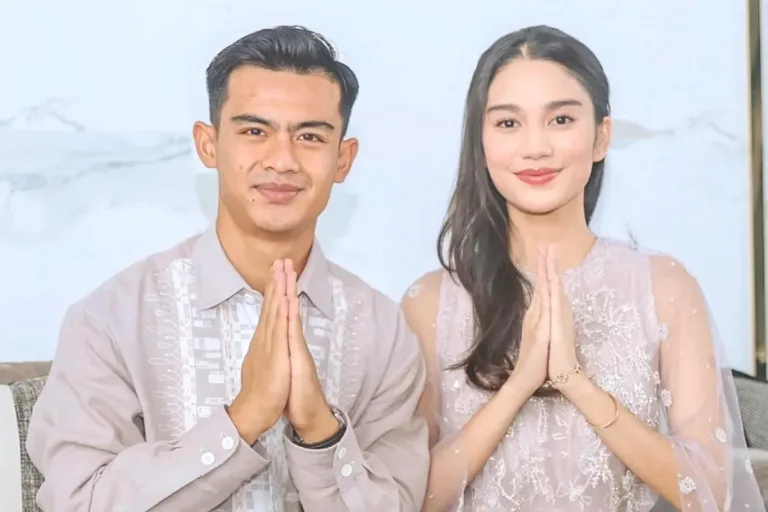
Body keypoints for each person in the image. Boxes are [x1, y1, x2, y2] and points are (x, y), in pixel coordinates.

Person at [27, 26, 429, 512]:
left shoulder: (383, 332)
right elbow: (78, 501)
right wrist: (243, 419)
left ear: (343, 159)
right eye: (255, 131)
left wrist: (320, 431)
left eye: (309, 136)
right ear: (208, 144)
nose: (282, 160)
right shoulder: (111, 318)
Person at [401, 25, 765, 511]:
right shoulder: (429, 304)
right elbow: (409, 499)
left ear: (600, 136)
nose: (536, 147)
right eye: (508, 123)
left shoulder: (664, 288)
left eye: (561, 119)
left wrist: (575, 382)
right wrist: (519, 385)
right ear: (480, 142)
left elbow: (712, 494)